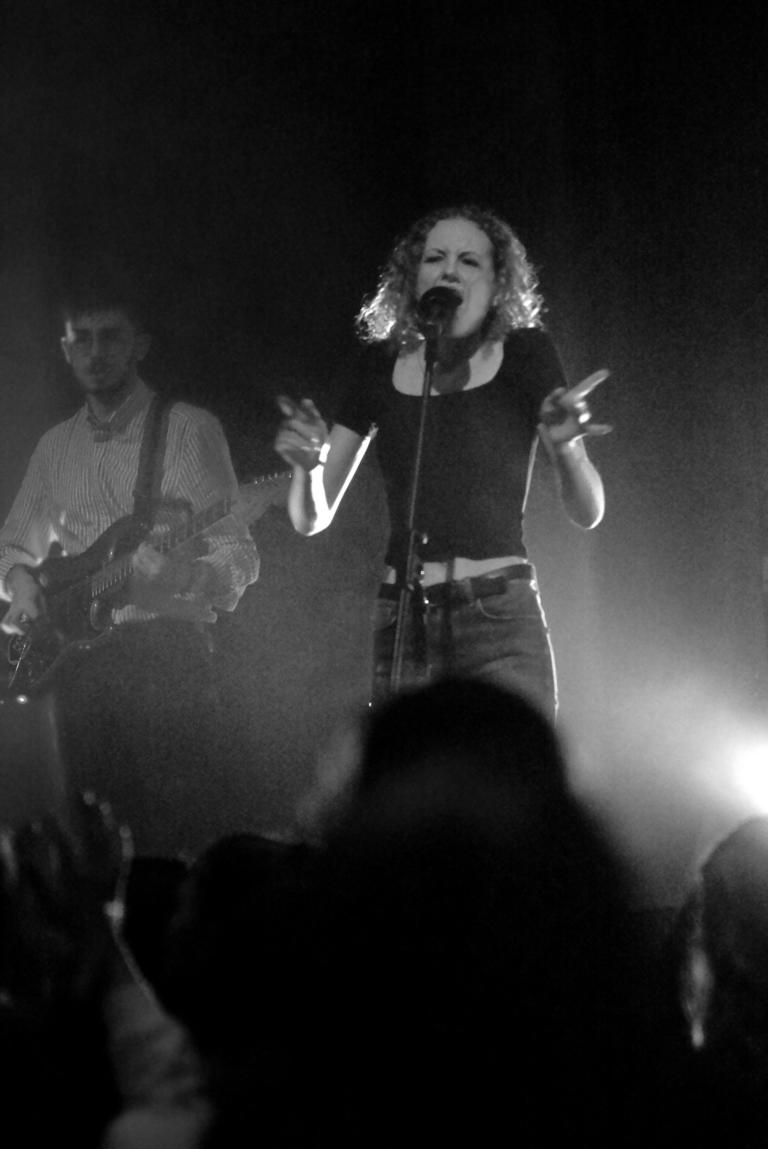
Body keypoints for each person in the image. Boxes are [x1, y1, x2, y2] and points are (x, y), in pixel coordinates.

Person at [274, 204, 611, 719]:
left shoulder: (524, 353)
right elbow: (311, 518)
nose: (449, 270)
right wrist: (307, 467)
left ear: (497, 285)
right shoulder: (379, 366)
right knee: (415, 770)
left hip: (498, 616)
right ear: (414, 278)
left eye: (469, 261)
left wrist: (565, 448)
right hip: (403, 619)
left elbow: (589, 511)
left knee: (509, 767)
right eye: (435, 258)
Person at [0, 275, 260, 857]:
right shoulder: (54, 446)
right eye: (82, 339)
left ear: (140, 344)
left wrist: (184, 577)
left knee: (168, 838)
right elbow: (10, 548)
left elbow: (239, 554)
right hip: (76, 670)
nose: (95, 352)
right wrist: (21, 585)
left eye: (110, 337)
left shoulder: (188, 429)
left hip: (164, 661)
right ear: (65, 349)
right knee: (86, 841)